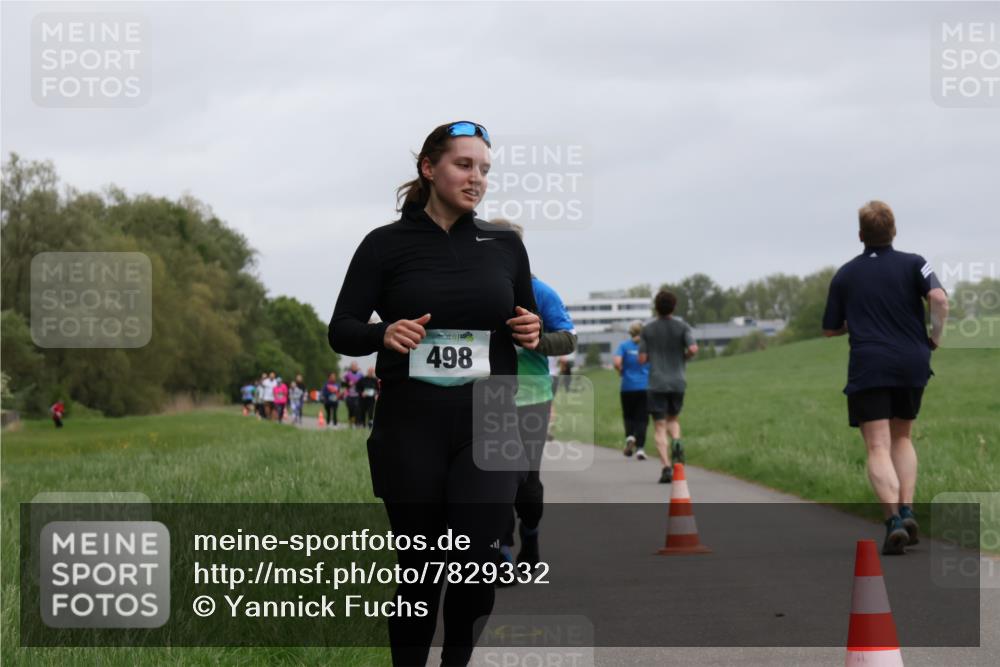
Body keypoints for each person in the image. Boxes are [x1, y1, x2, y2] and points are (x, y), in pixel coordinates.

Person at [328, 120, 540, 667]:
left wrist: (533, 332)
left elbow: (525, 321)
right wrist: (383, 333)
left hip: (489, 417)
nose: (477, 179)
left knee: (476, 559)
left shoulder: (504, 246)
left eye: (485, 170)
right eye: (464, 165)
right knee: (420, 571)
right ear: (429, 168)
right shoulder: (384, 245)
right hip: (411, 424)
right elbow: (342, 327)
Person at [822, 200, 948, 556]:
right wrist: (934, 338)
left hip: (869, 364)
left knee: (877, 445)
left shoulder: (846, 274)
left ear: (860, 235)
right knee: (902, 437)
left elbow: (830, 329)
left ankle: (893, 520)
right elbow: (939, 299)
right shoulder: (915, 263)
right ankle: (908, 509)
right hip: (912, 362)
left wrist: (856, 322)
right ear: (894, 231)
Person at [490, 219, 577, 572]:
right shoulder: (472, 290)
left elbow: (568, 339)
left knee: (526, 480)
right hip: (485, 398)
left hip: (531, 397)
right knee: (493, 478)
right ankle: (502, 551)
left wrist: (535, 341)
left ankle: (531, 534)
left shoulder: (540, 292)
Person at [639, 290, 698, 484]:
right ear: (674, 306)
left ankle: (665, 467)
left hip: (656, 383)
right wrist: (684, 357)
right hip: (678, 381)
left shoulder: (647, 330)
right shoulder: (683, 326)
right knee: (673, 419)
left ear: (656, 307)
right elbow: (693, 349)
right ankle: (677, 442)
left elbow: (642, 359)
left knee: (659, 426)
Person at [614, 320, 651, 460]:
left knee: (628, 415)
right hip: (645, 386)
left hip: (627, 387)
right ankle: (640, 449)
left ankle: (630, 436)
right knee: (642, 418)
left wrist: (622, 372)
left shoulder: (624, 346)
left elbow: (617, 362)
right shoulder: (648, 347)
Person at [342, 362, 364, 428]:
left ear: (357, 367)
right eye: (353, 366)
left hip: (357, 395)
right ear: (351, 367)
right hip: (349, 395)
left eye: (355, 366)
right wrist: (348, 384)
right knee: (350, 410)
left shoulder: (361, 375)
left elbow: (363, 385)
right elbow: (342, 384)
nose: (354, 367)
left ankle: (355, 423)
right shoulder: (347, 375)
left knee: (356, 410)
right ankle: (350, 423)